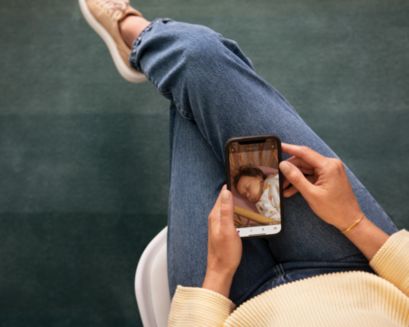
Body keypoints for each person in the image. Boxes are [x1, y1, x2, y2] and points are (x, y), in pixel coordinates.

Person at [78, 0, 409, 325]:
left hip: (231, 299)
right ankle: (137, 37)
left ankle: (136, 34)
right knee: (202, 60)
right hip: (354, 262)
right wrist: (352, 220)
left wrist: (218, 272)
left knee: (196, 79)